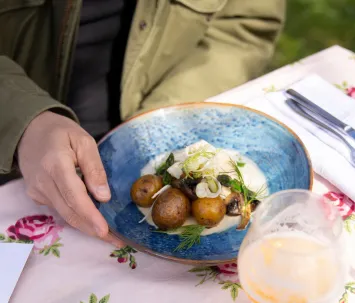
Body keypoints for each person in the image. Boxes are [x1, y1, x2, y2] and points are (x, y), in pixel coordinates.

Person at [0, 0, 285, 246]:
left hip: (162, 128)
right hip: (16, 163)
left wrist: (162, 117)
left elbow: (243, 23)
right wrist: (22, 118)